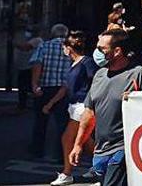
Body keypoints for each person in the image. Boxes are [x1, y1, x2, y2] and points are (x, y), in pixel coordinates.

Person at [69, 29, 142, 186]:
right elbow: (89, 114)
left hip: (124, 149)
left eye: (102, 49)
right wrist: (78, 144)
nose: (97, 52)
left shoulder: (138, 74)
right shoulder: (99, 75)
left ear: (117, 51)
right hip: (101, 151)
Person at [46, 31, 97, 186]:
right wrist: (51, 103)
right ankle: (103, 167)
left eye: (64, 47)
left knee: (68, 138)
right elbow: (66, 87)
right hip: (75, 106)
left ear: (69, 48)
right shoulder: (74, 64)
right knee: (86, 141)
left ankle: (67, 173)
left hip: (83, 106)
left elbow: (96, 80)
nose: (63, 50)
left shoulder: (86, 62)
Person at [30, 23, 71, 161]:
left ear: (52, 34)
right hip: (63, 89)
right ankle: (60, 154)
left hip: (45, 87)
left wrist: (35, 85)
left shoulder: (44, 46)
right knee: (62, 123)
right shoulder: (69, 48)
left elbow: (37, 64)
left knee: (41, 121)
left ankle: (37, 151)